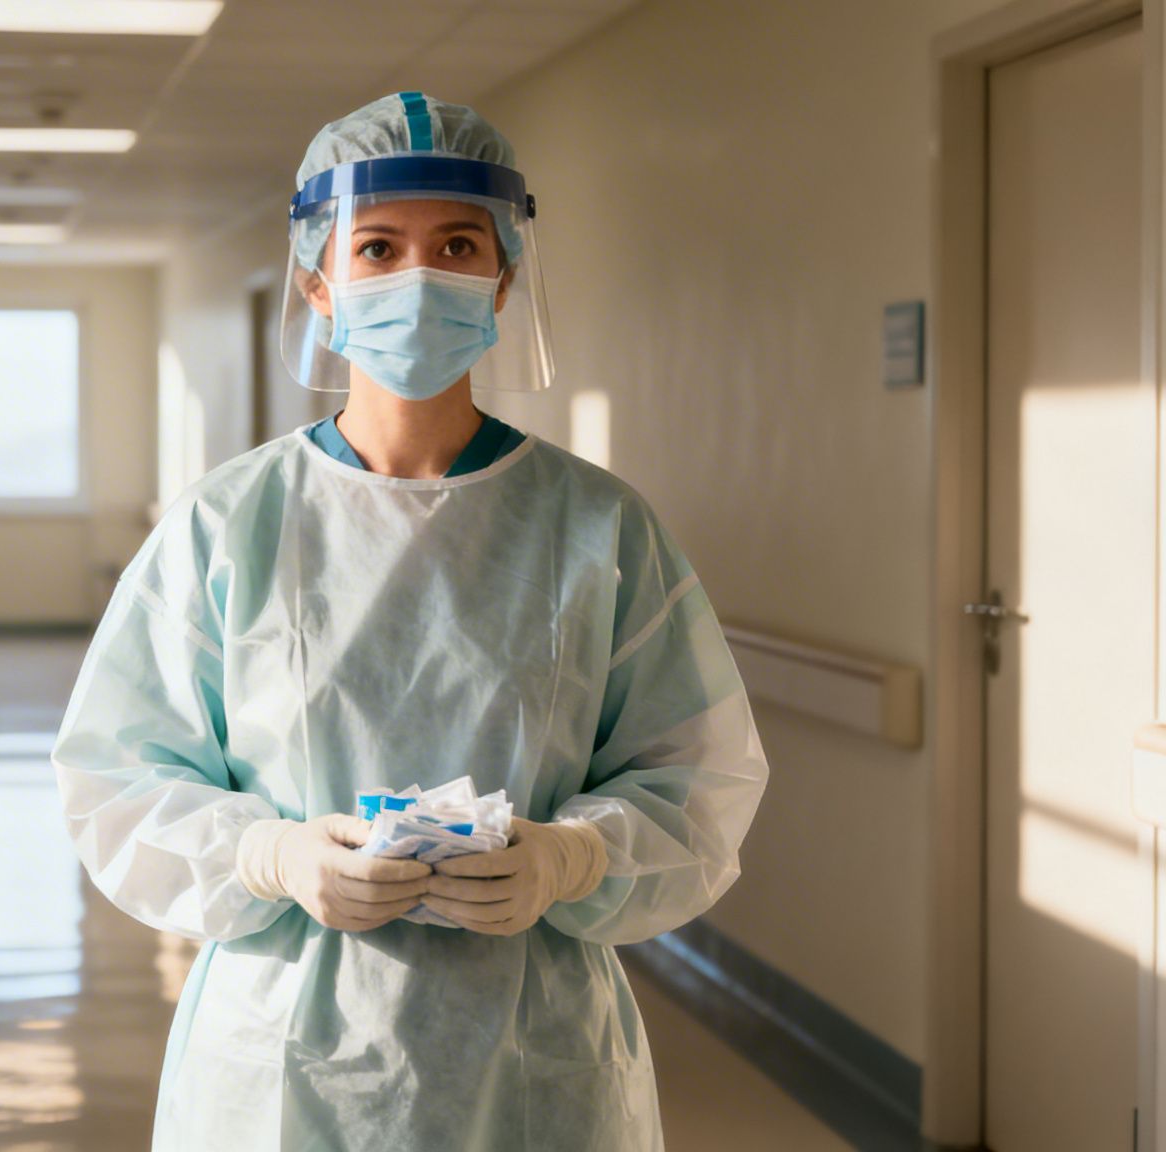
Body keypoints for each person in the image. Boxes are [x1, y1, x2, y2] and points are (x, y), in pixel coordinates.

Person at [51, 91, 768, 1151]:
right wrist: (272, 858)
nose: (418, 276)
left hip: (534, 1057)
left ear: (503, 276)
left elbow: (696, 781)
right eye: (377, 247)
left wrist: (568, 859)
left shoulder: (598, 528)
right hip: (286, 1056)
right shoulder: (229, 523)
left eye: (457, 244)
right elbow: (117, 778)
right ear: (319, 282)